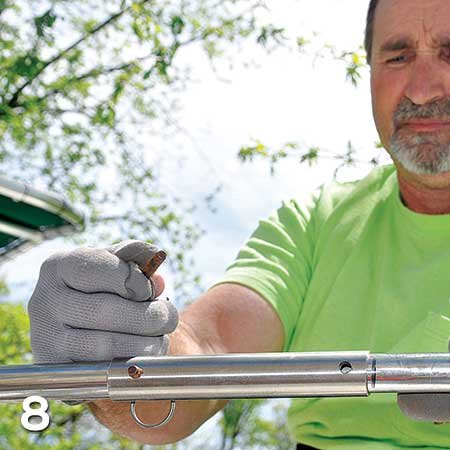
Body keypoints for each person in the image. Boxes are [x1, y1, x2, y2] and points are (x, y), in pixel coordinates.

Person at [28, 0, 450, 448]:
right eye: (397, 56)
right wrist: (123, 345)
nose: (422, 90)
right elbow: (208, 351)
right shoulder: (315, 222)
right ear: (369, 72)